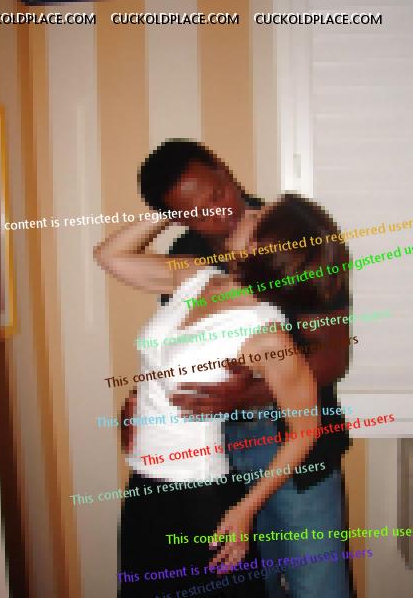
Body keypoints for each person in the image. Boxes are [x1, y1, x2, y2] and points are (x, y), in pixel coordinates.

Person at [129, 139, 354, 597]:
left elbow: (332, 358)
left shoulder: (290, 234)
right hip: (215, 454)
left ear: (223, 168)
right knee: (249, 586)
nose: (220, 213)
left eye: (217, 193)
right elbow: (179, 348)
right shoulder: (189, 251)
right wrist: (146, 403)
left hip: (293, 451)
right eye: (196, 211)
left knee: (318, 585)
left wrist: (245, 395)